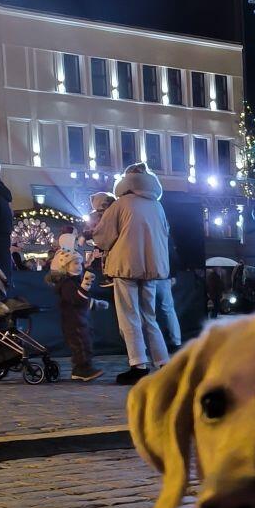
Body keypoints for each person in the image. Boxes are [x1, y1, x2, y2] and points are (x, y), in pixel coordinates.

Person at [93, 164, 170, 383]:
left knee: (129, 316)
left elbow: (103, 235)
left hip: (126, 265)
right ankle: (162, 360)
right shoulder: (157, 205)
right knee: (150, 315)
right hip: (152, 266)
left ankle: (138, 363)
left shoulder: (121, 204)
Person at [47, 229, 99, 381]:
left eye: (80, 263)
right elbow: (77, 299)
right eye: (75, 263)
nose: (79, 266)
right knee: (80, 345)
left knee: (86, 342)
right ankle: (82, 369)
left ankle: (82, 368)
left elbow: (83, 301)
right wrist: (86, 285)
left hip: (81, 320)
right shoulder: (67, 284)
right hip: (73, 322)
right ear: (66, 267)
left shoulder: (74, 282)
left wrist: (96, 304)